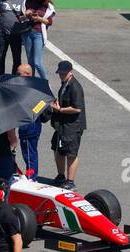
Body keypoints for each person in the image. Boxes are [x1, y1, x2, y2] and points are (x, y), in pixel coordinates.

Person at [48, 60, 84, 189]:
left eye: (64, 73)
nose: (61, 75)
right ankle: (60, 176)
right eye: (60, 73)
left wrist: (60, 109)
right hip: (62, 124)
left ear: (71, 72)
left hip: (73, 126)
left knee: (71, 152)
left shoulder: (75, 87)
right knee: (58, 148)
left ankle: (70, 181)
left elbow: (77, 108)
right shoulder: (65, 83)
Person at [14, 63, 47, 179]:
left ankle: (32, 178)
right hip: (31, 125)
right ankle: (32, 176)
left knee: (29, 154)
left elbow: (41, 104)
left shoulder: (30, 88)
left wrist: (32, 112)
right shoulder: (34, 86)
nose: (17, 75)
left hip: (29, 126)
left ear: (27, 74)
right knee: (29, 153)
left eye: (19, 73)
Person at [23, 1, 55, 86]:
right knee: (30, 62)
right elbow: (21, 18)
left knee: (37, 62)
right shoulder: (27, 2)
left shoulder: (48, 6)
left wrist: (38, 19)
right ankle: (31, 84)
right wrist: (26, 14)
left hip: (39, 34)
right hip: (27, 33)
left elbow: (50, 22)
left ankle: (46, 84)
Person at [0, 2, 27, 78]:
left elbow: (25, 17)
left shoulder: (22, 1)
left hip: (16, 34)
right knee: (0, 58)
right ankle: (0, 78)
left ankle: (14, 79)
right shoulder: (1, 1)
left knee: (17, 59)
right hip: (2, 34)